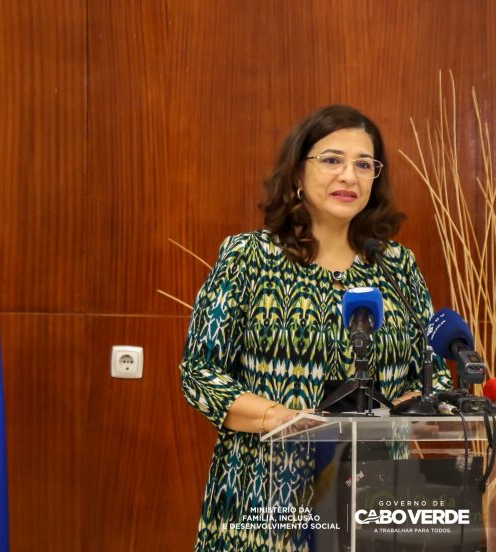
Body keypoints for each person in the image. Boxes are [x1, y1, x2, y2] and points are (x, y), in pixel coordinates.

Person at [180, 104, 453, 551]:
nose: (349, 175)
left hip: (375, 493)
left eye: (363, 164)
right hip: (266, 494)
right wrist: (281, 418)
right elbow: (200, 373)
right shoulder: (249, 257)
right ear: (296, 173)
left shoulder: (396, 266)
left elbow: (432, 373)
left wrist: (416, 404)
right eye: (332, 160)